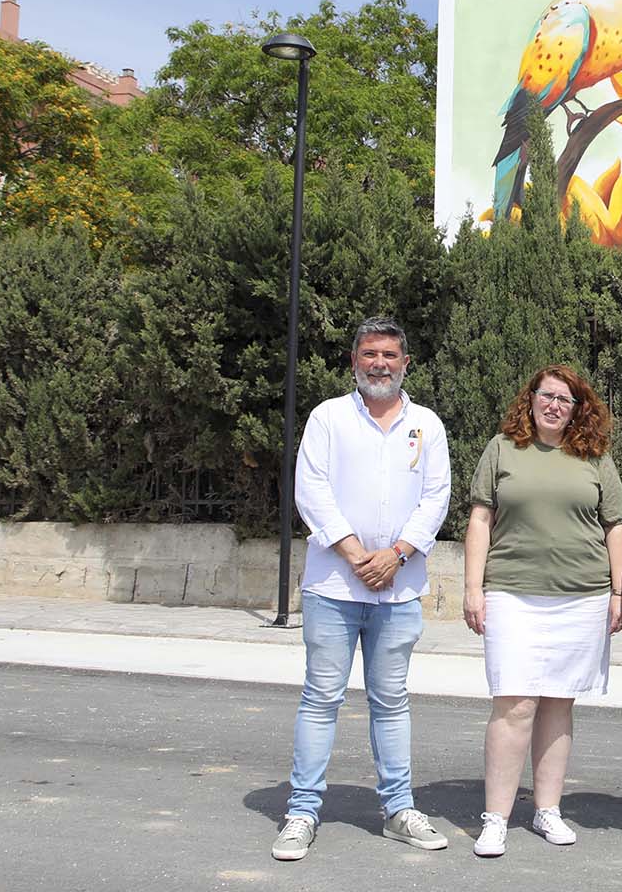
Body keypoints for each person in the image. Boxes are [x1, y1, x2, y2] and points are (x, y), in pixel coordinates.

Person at [271, 317, 453, 863]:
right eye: (369, 354)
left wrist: (395, 555)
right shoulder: (328, 418)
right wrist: (355, 555)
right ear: (354, 362)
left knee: (391, 701)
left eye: (390, 355)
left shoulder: (427, 425)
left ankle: (399, 809)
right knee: (321, 697)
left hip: (397, 590)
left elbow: (437, 496)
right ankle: (302, 812)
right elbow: (313, 491)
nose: (379, 363)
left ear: (406, 363)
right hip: (333, 586)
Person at [462, 364, 622, 858]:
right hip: (512, 593)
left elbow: (615, 524)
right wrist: (473, 588)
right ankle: (496, 818)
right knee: (514, 704)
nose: (554, 405)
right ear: (530, 398)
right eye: (546, 395)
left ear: (579, 409)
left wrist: (619, 593)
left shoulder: (594, 456)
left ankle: (547, 810)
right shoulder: (501, 449)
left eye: (565, 399)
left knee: (558, 702)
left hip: (583, 597)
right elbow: (480, 517)